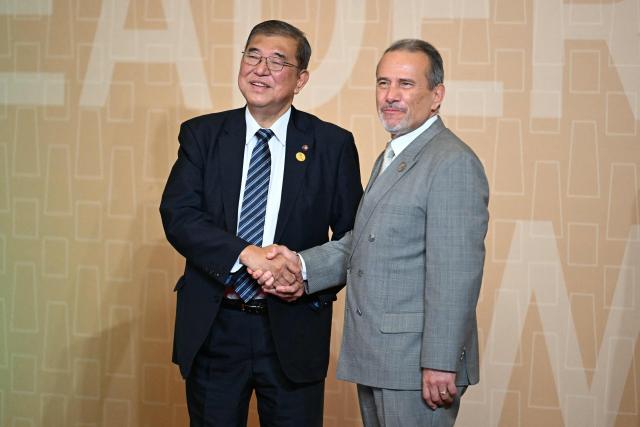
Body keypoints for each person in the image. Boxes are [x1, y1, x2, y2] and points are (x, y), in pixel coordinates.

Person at [253, 39, 489, 426]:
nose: (390, 96)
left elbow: (456, 274)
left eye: (406, 84)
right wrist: (300, 263)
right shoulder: (395, 155)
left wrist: (441, 363)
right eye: (383, 83)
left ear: (437, 95)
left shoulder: (451, 162)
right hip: (382, 357)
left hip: (418, 366)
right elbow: (363, 241)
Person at [159, 20, 363, 426]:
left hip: (293, 330)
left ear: (301, 79)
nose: (260, 69)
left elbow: (353, 240)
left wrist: (303, 276)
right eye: (252, 55)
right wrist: (246, 254)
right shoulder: (202, 135)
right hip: (216, 327)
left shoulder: (332, 145)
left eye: (276, 61)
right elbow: (179, 215)